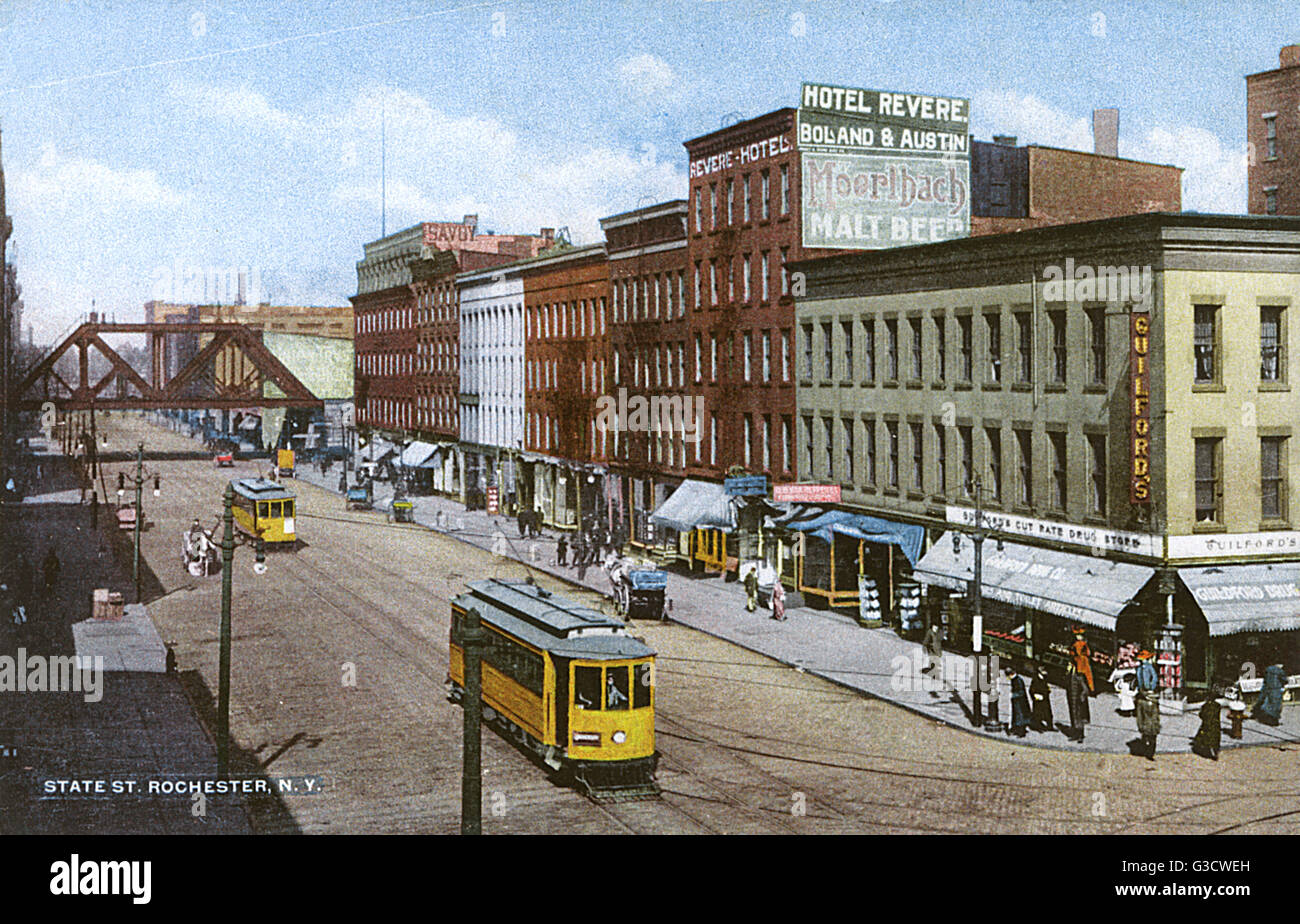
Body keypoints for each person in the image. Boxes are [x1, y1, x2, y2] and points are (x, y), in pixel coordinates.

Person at [1135, 649, 1161, 761]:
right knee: (1153, 718)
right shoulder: (1150, 668)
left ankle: (1145, 746)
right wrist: (1151, 687)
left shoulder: (1139, 669)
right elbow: (1154, 679)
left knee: (1143, 718)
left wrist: (1141, 690)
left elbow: (1138, 681)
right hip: (1149, 694)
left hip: (1142, 695)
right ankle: (1150, 751)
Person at [1192, 690, 1222, 760]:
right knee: (1215, 739)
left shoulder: (1205, 706)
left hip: (1207, 724)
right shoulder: (1218, 705)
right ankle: (1215, 751)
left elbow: (1202, 715)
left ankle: (1208, 752)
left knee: (1205, 738)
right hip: (1216, 724)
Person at [1066, 660, 1091, 741]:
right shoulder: (1070, 675)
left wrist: (1082, 697)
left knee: (1079, 717)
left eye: (1069, 665)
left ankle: (1080, 735)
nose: (1067, 667)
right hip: (1072, 699)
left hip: (1078, 701)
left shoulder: (1079, 676)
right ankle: (1076, 733)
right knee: (1074, 716)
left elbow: (1085, 690)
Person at [1071, 628, 1095, 693]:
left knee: (1082, 675)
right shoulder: (1083, 643)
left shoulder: (1079, 644)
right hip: (1083, 661)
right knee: (1087, 675)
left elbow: (1075, 652)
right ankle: (1090, 689)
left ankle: (1085, 689)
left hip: (1080, 661)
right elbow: (1088, 653)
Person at [1030, 666, 1054, 732]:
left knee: (1048, 713)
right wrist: (1035, 696)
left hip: (1045, 699)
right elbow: (1031, 690)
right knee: (1038, 714)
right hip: (1038, 700)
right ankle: (1038, 727)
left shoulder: (1044, 678)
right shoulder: (1035, 679)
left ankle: (1050, 726)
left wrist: (1048, 690)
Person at [1008, 668, 1031, 737]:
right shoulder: (1015, 679)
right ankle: (1017, 730)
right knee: (1017, 716)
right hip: (1017, 701)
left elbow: (1021, 692)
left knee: (1020, 717)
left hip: (1020, 702)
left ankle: (1021, 732)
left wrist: (1013, 695)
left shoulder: (1018, 680)